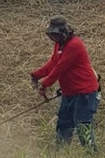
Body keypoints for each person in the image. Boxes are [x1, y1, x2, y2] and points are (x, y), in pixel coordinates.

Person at [30, 15, 100, 153]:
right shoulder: (59, 45)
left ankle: (92, 154)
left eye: (57, 35)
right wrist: (36, 75)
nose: (55, 38)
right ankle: (61, 153)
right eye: (52, 35)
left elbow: (60, 69)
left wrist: (44, 85)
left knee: (82, 127)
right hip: (69, 93)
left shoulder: (75, 45)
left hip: (84, 93)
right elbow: (53, 63)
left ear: (64, 32)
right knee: (64, 124)